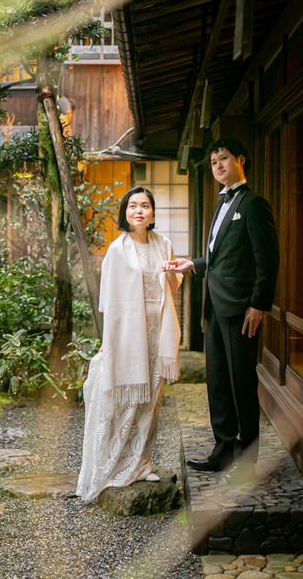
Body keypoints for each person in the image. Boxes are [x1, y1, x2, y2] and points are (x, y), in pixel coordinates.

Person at [162, 138, 279, 473]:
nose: (218, 166)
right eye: (213, 162)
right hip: (214, 307)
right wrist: (193, 264)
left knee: (242, 383)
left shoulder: (254, 204)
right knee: (217, 382)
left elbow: (267, 260)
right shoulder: (221, 204)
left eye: (224, 158)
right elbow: (222, 259)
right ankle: (222, 450)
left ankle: (247, 461)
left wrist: (259, 304)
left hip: (243, 310)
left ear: (241, 159)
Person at [76, 186, 183, 503]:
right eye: (133, 206)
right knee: (125, 400)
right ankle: (117, 463)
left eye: (145, 206)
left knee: (151, 399)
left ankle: (142, 461)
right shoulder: (116, 250)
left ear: (152, 213)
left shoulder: (163, 244)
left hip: (157, 331)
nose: (139, 210)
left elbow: (172, 287)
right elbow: (107, 302)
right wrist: (107, 342)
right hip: (127, 334)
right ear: (125, 212)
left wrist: (174, 271)